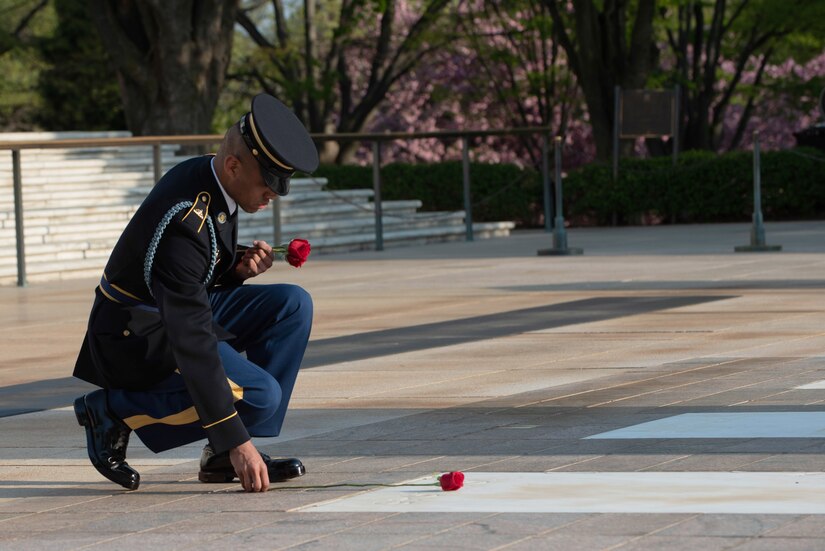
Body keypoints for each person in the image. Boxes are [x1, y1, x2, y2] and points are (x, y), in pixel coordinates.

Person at [72, 94, 319, 493]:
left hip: (167, 310)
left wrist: (235, 269)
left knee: (290, 305)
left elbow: (188, 277)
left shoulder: (213, 179)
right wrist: (235, 437)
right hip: (133, 334)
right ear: (234, 164)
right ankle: (112, 412)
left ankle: (221, 456)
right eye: (268, 184)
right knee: (260, 394)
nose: (273, 195)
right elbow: (191, 335)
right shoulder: (187, 216)